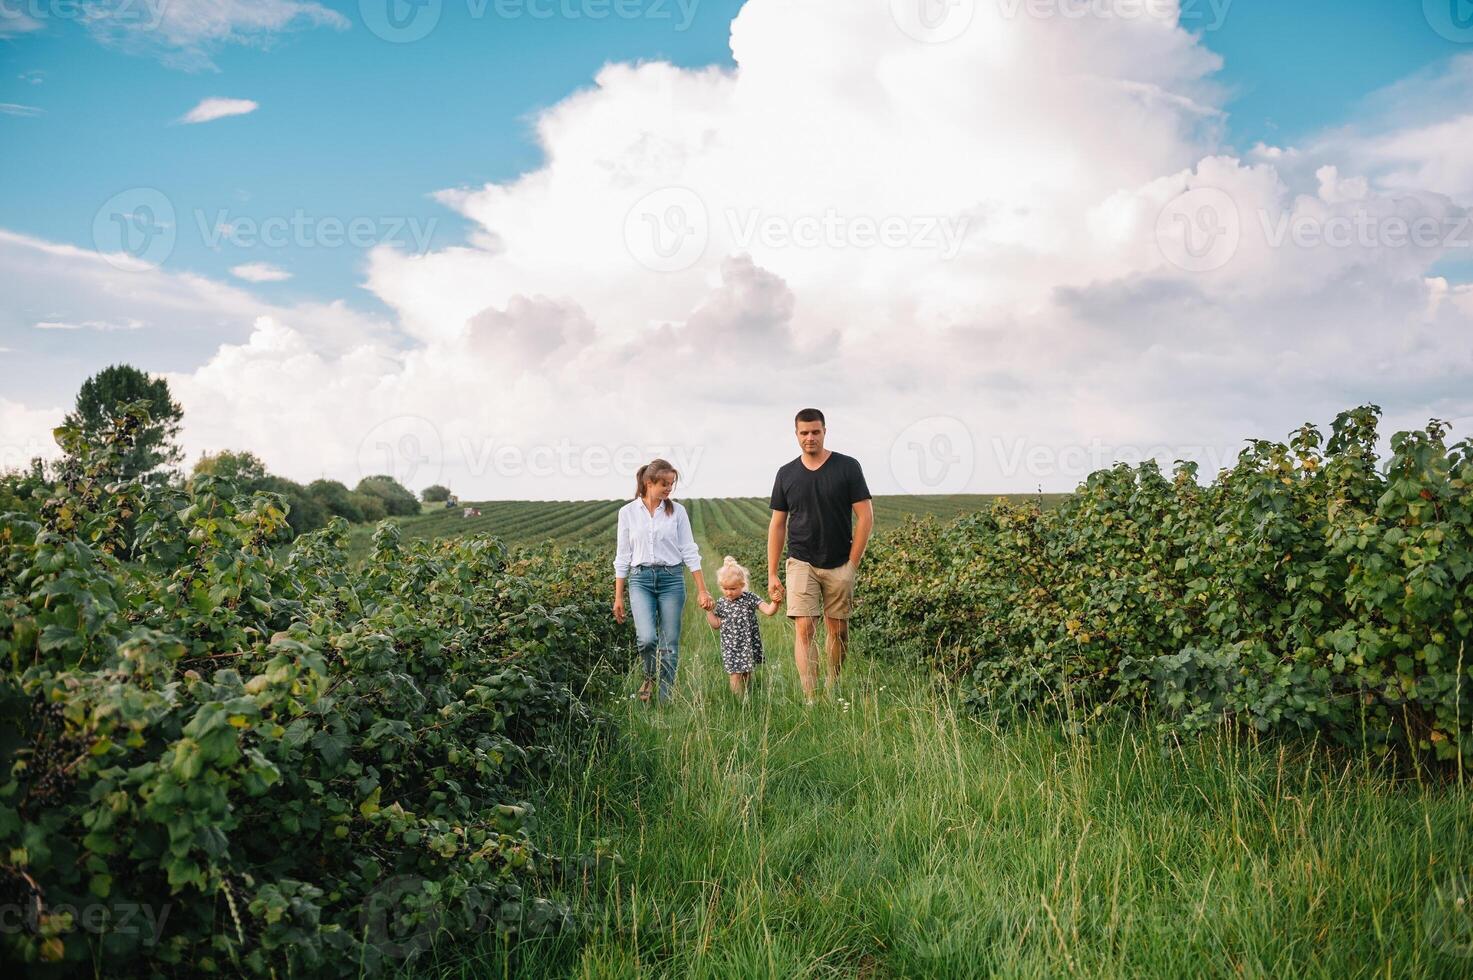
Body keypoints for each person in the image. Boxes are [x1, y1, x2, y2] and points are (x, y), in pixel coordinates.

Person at [767, 409, 874, 703]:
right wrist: (772, 572)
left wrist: (852, 564)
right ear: (796, 435)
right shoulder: (786, 473)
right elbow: (777, 525)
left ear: (825, 431)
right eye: (804, 433)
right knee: (804, 627)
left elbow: (865, 517)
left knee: (838, 631)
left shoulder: (848, 467)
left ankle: (832, 685)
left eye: (815, 432)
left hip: (840, 561)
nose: (810, 438)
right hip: (801, 560)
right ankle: (811, 697)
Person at [612, 458, 714, 703]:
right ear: (649, 483)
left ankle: (666, 698)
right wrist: (618, 596)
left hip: (671, 581)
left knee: (669, 643)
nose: (669, 489)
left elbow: (689, 549)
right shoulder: (627, 513)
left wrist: (702, 590)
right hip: (640, 580)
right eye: (664, 484)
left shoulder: (677, 511)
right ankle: (649, 676)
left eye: (672, 484)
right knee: (646, 638)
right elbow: (622, 555)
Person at [705, 556, 781, 699]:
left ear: (742, 584)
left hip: (747, 644)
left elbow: (768, 611)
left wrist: (775, 603)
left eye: (733, 588)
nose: (728, 592)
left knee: (746, 672)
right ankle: (738, 702)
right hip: (731, 646)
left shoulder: (749, 598)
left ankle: (748, 696)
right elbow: (716, 624)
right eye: (725, 588)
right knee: (735, 674)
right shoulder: (722, 603)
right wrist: (709, 610)